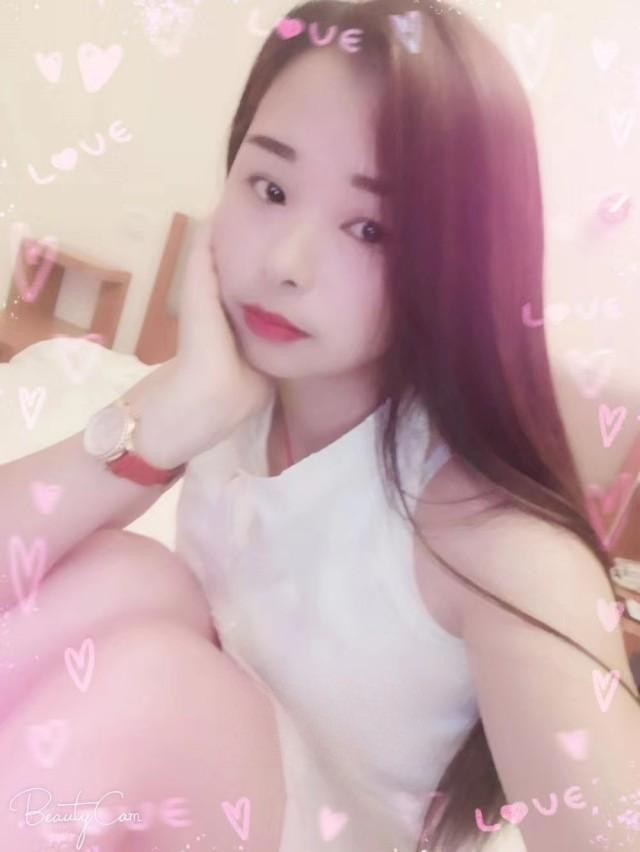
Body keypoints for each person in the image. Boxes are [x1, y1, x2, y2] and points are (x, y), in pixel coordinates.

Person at [0, 1, 638, 850]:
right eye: (269, 188)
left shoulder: (492, 542)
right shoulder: (230, 395)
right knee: (122, 576)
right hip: (179, 800)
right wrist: (176, 412)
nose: (285, 263)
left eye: (370, 229)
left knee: (153, 678)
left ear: (459, 266)